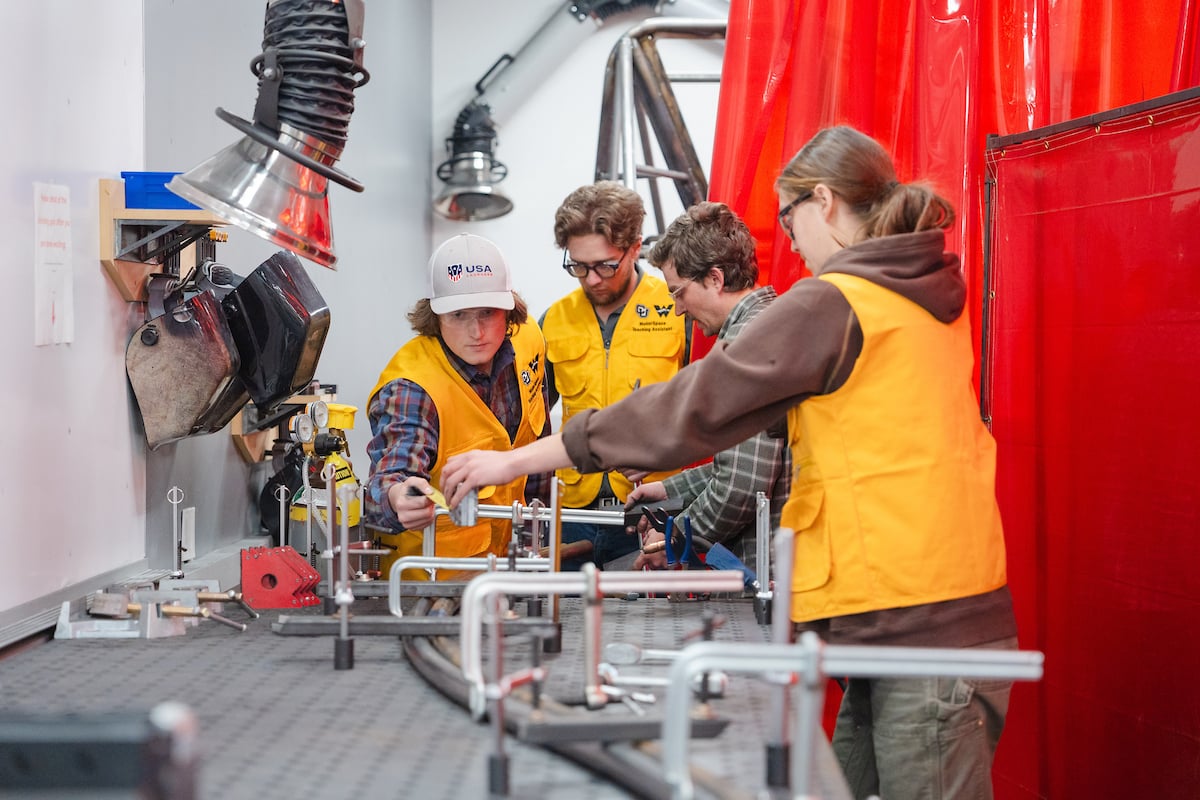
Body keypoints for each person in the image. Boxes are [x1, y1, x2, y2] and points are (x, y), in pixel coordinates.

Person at [442, 126, 1019, 800]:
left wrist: (513, 461)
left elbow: (691, 408)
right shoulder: (915, 296)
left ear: (825, 201)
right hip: (903, 616)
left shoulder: (839, 301)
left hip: (924, 633)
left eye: (790, 216)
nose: (791, 241)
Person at [364, 233, 550, 581]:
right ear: (435, 317)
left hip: (512, 570)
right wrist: (397, 496)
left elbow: (538, 446)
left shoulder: (529, 342)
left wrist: (541, 535)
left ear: (509, 309)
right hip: (430, 586)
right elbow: (391, 476)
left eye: (487, 313)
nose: (476, 331)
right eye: (458, 314)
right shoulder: (413, 387)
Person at [625, 201, 789, 572]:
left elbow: (742, 486)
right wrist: (672, 490)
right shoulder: (767, 328)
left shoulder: (749, 346)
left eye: (679, 292)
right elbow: (748, 462)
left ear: (715, 279)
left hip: (770, 573)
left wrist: (673, 540)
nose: (678, 309)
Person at [541, 181, 689, 570]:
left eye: (606, 265)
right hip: (575, 513)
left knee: (653, 626)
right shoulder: (553, 320)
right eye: (578, 265)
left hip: (656, 506)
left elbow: (710, 413)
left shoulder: (676, 308)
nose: (591, 279)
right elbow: (530, 421)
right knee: (568, 623)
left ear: (636, 247)